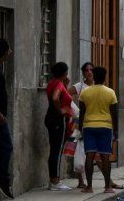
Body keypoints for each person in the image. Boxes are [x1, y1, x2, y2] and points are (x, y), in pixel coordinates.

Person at [78, 66, 118, 194]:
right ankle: (108, 187)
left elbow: (82, 113)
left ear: (94, 76)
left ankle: (89, 187)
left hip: (89, 127)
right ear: (105, 77)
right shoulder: (110, 92)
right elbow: (114, 114)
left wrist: (80, 128)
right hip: (105, 127)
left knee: (89, 156)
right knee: (105, 156)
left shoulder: (85, 92)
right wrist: (115, 131)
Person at [44, 62, 73, 191]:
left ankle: (53, 180)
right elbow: (56, 97)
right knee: (57, 150)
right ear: (64, 72)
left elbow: (58, 96)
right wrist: (61, 110)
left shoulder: (53, 83)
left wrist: (66, 85)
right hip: (57, 119)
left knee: (54, 149)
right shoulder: (59, 84)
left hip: (51, 118)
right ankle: (55, 181)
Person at [69, 62, 94, 189]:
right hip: (81, 121)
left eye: (91, 70)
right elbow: (66, 96)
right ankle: (80, 180)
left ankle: (109, 180)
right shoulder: (79, 86)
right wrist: (75, 110)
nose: (89, 72)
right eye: (86, 70)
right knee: (79, 150)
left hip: (95, 121)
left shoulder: (98, 86)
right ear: (83, 72)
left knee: (97, 151)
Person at [0, 38, 14, 199]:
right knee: (7, 146)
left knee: (2, 146)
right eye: (8, 50)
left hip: (1, 115)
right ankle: (2, 178)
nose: (10, 52)